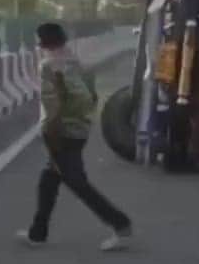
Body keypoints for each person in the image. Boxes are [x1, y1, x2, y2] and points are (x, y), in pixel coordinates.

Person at [19, 23, 133, 251]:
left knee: (77, 183)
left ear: (43, 42)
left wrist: (51, 131)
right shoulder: (76, 62)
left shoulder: (49, 66)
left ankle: (120, 224)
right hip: (80, 129)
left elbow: (51, 105)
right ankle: (37, 233)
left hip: (61, 132)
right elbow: (91, 95)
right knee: (49, 180)